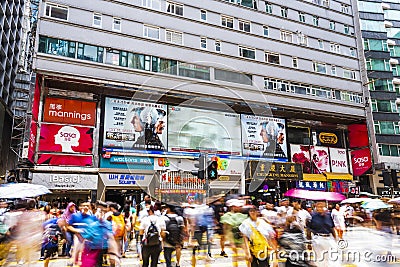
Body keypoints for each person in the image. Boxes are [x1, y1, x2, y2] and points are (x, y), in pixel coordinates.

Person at [308, 201, 338, 267]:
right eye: (319, 207)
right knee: (319, 258)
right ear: (316, 207)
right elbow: (309, 230)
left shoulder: (328, 216)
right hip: (318, 238)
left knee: (331, 256)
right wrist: (309, 242)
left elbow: (332, 228)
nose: (320, 208)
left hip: (328, 238)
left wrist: (336, 238)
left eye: (322, 206)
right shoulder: (312, 216)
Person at [221, 199, 248, 267]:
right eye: (238, 206)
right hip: (233, 238)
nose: (240, 207)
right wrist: (231, 242)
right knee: (235, 256)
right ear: (232, 207)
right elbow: (227, 230)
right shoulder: (227, 216)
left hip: (243, 239)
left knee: (247, 255)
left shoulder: (242, 215)